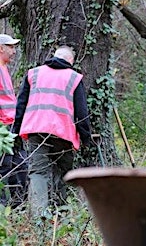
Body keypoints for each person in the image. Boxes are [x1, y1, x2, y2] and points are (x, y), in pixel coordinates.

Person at [12, 45, 91, 216]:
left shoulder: (33, 73)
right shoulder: (74, 77)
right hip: (63, 134)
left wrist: (15, 131)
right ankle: (60, 213)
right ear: (71, 61)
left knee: (37, 172)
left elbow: (21, 105)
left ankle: (39, 216)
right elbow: (82, 112)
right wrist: (86, 139)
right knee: (64, 172)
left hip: (36, 130)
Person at [0, 33, 28, 207]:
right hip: (3, 125)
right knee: (4, 165)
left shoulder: (4, 68)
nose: (14, 51)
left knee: (19, 163)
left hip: (12, 124)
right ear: (1, 48)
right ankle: (3, 207)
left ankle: (19, 204)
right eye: (10, 47)